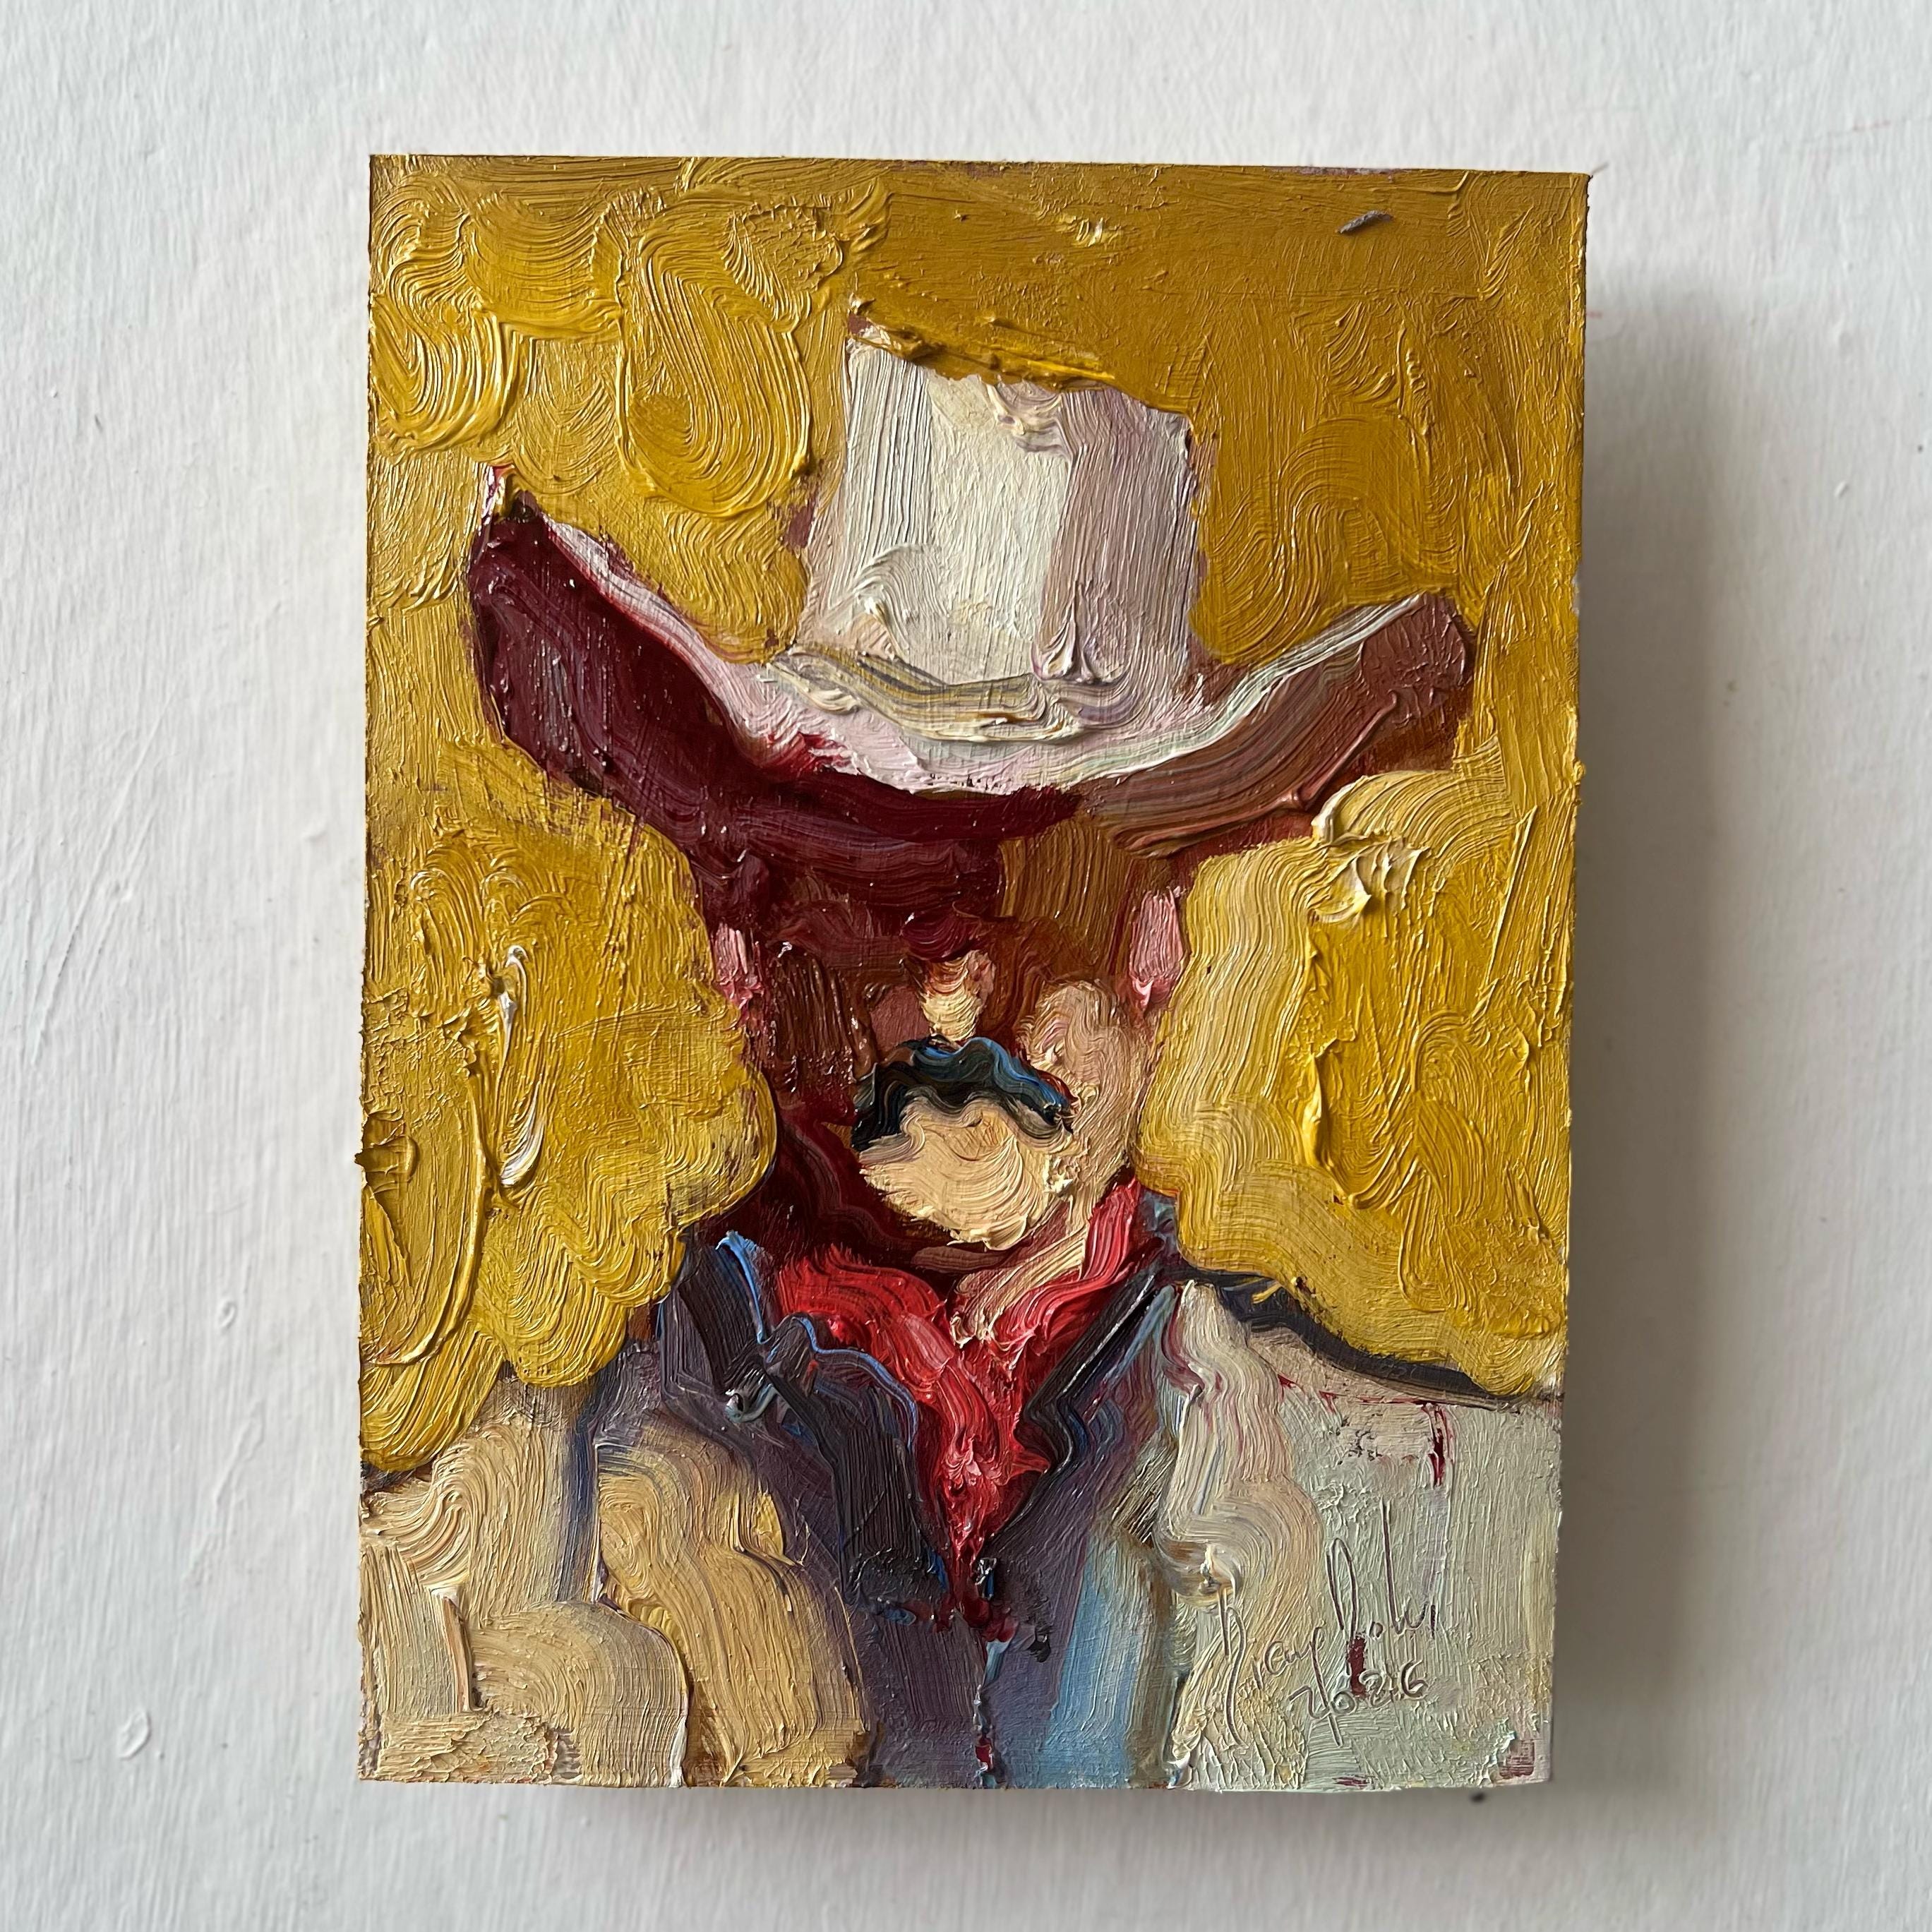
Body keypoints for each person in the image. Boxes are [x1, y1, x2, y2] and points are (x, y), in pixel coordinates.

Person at [453, 338, 1554, 1787]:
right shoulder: (498, 1561)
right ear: (745, 958)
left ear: (1155, 952)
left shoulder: (1450, 1529)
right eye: (877, 904)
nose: (954, 1002)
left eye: (1034, 905)